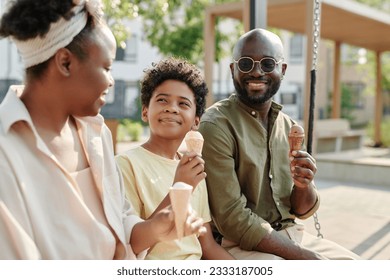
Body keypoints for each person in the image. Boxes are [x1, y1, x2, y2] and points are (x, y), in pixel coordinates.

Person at [0, 0, 205, 260]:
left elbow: (122, 223)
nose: (111, 81)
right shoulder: (5, 153)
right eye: (106, 67)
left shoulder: (96, 134)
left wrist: (156, 228)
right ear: (65, 62)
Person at [198, 28, 360, 260]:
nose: (256, 72)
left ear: (281, 70)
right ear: (233, 69)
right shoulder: (216, 126)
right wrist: (303, 257)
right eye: (245, 63)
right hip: (240, 244)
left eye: (267, 64)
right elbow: (232, 218)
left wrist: (304, 185)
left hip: (292, 235)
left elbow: (301, 211)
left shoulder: (289, 126)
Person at [116, 57, 235, 260]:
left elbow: (206, 245)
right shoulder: (126, 165)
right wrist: (180, 186)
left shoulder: (194, 168)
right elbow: (132, 244)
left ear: (196, 121)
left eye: (183, 103)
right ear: (145, 111)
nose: (172, 108)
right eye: (162, 100)